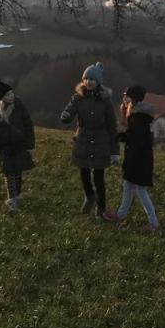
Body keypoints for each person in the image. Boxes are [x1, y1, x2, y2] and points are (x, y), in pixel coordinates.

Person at [59, 62, 118, 218]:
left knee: (99, 177)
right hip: (83, 139)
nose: (88, 82)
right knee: (84, 173)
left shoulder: (106, 101)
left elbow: (112, 126)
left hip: (100, 141)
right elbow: (70, 109)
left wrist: (114, 152)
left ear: (98, 82)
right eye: (86, 79)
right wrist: (66, 116)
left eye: (92, 79)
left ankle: (101, 208)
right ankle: (89, 196)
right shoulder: (78, 97)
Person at [107, 85, 160, 231]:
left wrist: (122, 136)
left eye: (127, 96)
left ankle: (153, 222)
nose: (125, 98)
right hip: (136, 157)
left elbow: (136, 138)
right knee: (127, 186)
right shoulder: (137, 115)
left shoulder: (138, 117)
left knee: (140, 190)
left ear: (134, 98)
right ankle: (121, 214)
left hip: (139, 159)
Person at [0, 77, 35, 212]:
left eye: (12, 93)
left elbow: (28, 124)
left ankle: (17, 195)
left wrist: (30, 145)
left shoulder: (19, 105)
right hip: (4, 148)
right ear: (2, 97)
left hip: (20, 145)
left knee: (18, 172)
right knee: (9, 173)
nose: (12, 96)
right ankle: (12, 199)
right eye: (8, 95)